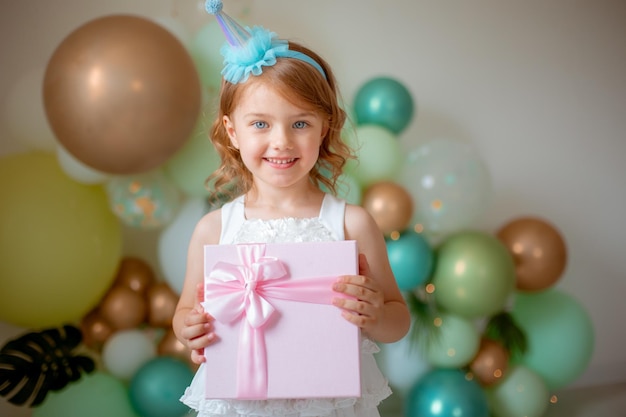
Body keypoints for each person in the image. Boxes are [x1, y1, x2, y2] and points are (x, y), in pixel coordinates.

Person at [172, 1, 411, 416]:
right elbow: (185, 314)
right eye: (260, 123)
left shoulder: (352, 223)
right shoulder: (213, 229)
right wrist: (188, 329)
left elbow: (397, 319)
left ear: (325, 127)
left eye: (299, 123)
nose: (281, 141)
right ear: (232, 131)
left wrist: (374, 314)